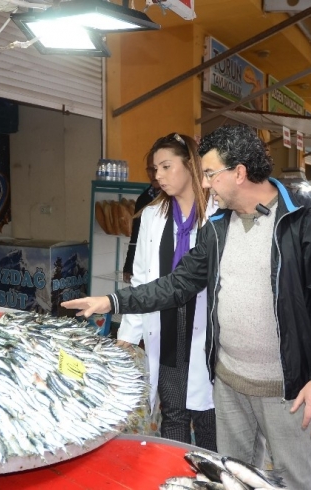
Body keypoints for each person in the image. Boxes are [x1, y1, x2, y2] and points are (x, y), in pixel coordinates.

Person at [64, 124, 311, 489]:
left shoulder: (302, 219)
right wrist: (113, 301)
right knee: (231, 477)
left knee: (293, 481)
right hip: (230, 384)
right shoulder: (217, 227)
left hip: (287, 388)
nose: (203, 184)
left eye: (209, 174)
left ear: (240, 172)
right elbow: (179, 284)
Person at [118, 133, 216, 450]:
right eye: (155, 169)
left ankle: (209, 481)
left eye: (165, 166)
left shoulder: (220, 213)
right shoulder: (152, 215)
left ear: (191, 165)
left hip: (210, 332)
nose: (157, 175)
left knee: (208, 419)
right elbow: (143, 279)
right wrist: (128, 334)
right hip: (169, 327)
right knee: (172, 414)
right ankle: (176, 478)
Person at [122, 162, 160, 283]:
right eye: (150, 169)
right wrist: (129, 265)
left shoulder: (173, 198)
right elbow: (136, 234)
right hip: (144, 264)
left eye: (157, 169)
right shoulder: (143, 198)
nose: (154, 174)